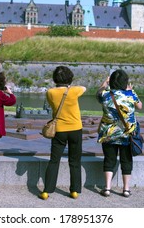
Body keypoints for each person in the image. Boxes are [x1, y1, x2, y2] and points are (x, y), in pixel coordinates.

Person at [39, 66, 86, 200]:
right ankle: (74, 190)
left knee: (54, 160)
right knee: (75, 160)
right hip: (75, 129)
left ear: (54, 79)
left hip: (59, 130)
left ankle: (47, 190)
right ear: (70, 78)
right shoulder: (75, 91)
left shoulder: (50, 92)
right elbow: (84, 88)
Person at [96, 69, 142, 198]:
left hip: (108, 134)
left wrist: (104, 84)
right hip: (127, 134)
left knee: (109, 159)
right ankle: (126, 189)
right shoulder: (130, 94)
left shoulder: (105, 95)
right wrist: (131, 90)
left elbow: (98, 94)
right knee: (126, 161)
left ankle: (107, 188)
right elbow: (140, 106)